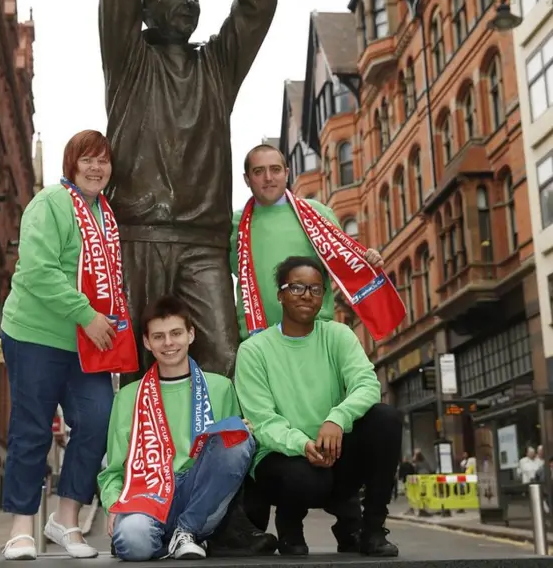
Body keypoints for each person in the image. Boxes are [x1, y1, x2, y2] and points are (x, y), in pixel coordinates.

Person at [99, 0, 277, 380]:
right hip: (140, 236)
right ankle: (142, 451)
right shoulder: (127, 59)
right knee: (140, 368)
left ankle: (221, 452)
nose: (189, 2)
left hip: (203, 243)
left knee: (225, 361)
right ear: (143, 3)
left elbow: (261, 0)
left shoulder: (218, 66)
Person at [0, 130, 119, 560]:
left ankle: (66, 520)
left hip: (86, 344)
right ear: (71, 164)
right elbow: (36, 271)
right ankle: (20, 528)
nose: (95, 168)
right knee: (32, 428)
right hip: (34, 333)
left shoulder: (107, 215)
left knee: (99, 420)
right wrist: (86, 314)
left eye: (103, 161)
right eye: (87, 159)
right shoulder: (51, 203)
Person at [234, 256, 402, 557]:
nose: (307, 296)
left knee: (385, 419)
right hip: (282, 461)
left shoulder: (338, 335)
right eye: (296, 288)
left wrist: (338, 419)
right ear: (280, 294)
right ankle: (289, 524)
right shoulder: (254, 350)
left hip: (334, 451)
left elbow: (367, 385)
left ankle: (372, 529)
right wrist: (303, 444)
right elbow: (262, 421)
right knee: (302, 477)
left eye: (315, 289)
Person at [98, 295, 265, 561]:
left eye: (176, 333)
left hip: (199, 494)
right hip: (148, 493)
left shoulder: (220, 387)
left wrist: (238, 431)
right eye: (159, 336)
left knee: (238, 439)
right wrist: (113, 504)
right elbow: (113, 469)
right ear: (147, 342)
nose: (168, 343)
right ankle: (176, 540)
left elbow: (229, 464)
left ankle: (186, 531)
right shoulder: (129, 396)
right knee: (132, 541)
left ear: (191, 334)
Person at [230, 144, 384, 342]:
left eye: (275, 169)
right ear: (246, 179)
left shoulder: (317, 214)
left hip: (314, 337)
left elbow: (347, 264)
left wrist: (369, 260)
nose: (268, 177)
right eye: (259, 171)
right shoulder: (234, 225)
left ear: (286, 173)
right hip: (257, 340)